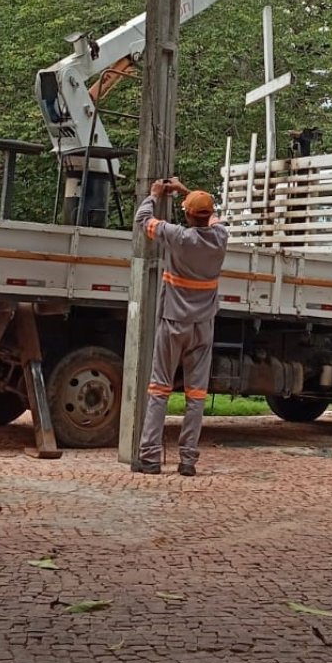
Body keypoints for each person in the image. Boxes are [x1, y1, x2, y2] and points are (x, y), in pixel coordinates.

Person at [131, 177, 228, 477]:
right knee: (196, 395)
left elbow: (143, 220)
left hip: (173, 323)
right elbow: (214, 216)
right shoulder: (220, 238)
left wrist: (154, 195)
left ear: (187, 215)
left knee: (159, 388)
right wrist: (188, 192)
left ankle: (150, 457)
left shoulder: (178, 237)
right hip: (203, 327)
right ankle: (187, 461)